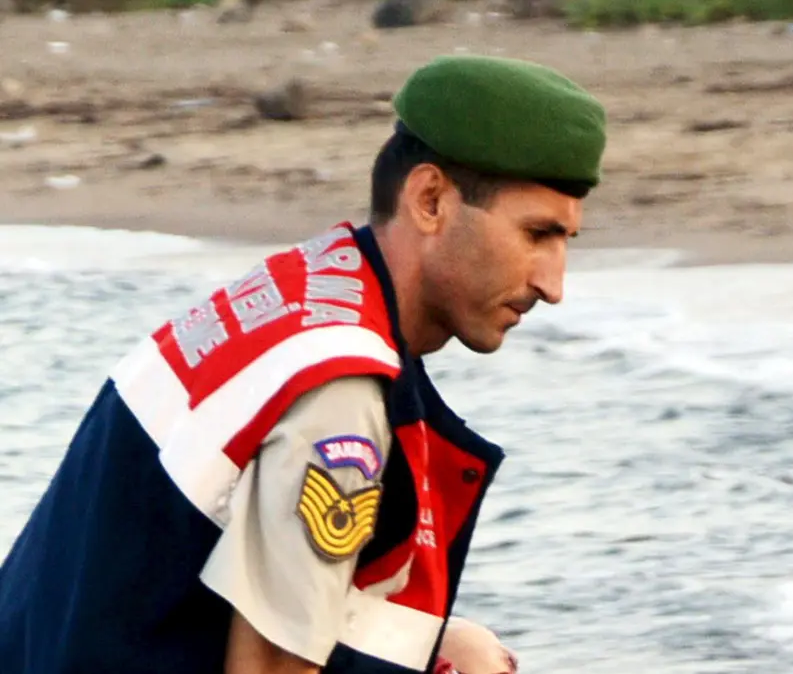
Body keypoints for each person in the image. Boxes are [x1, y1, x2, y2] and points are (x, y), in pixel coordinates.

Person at [0, 53, 606, 674]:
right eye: (536, 235)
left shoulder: (306, 290)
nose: (552, 284)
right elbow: (270, 665)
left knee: (466, 652)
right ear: (429, 200)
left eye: (564, 241)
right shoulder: (340, 391)